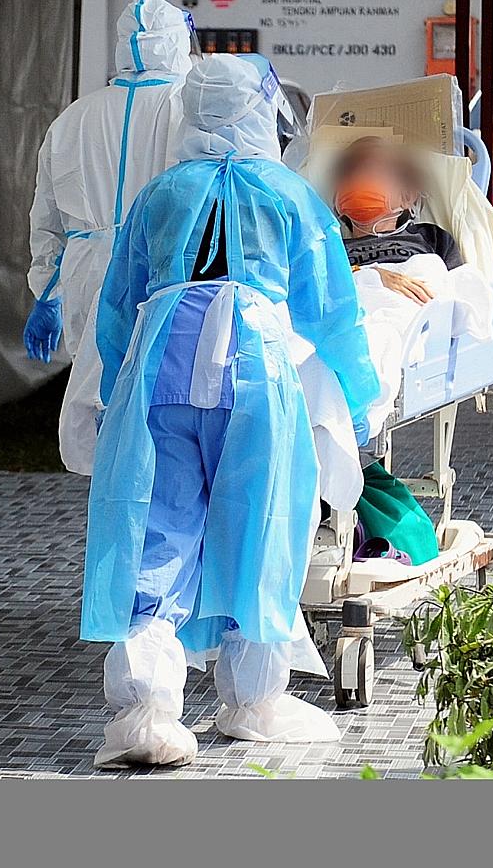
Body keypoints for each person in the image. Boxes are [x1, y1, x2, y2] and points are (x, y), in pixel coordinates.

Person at [83, 54, 380, 768]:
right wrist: (361, 398)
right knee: (262, 525)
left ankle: (145, 712)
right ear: (261, 111)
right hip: (257, 374)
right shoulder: (289, 194)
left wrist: (112, 398)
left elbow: (118, 307)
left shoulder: (159, 194)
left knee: (155, 529)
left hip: (158, 373)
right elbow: (332, 309)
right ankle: (252, 699)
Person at [25, 0, 194, 474]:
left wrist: (49, 294)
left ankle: (115, 513)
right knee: (165, 402)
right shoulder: (189, 106)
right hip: (164, 266)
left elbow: (48, 222)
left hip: (87, 272)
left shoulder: (73, 119)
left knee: (103, 404)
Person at [332, 136, 464, 305]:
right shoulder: (330, 246)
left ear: (408, 196)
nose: (361, 179)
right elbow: (320, 294)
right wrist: (371, 276)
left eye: (376, 173)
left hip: (420, 318)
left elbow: (458, 286)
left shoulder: (432, 237)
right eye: (351, 173)